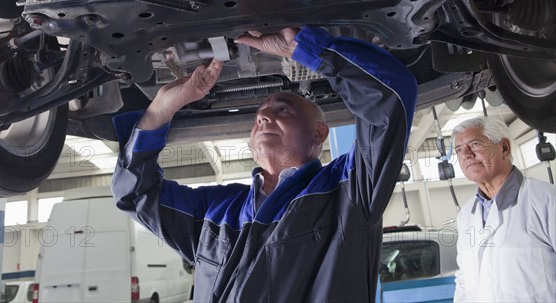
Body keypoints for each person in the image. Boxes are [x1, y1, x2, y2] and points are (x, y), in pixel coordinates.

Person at [111, 26, 417, 302]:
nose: (264, 116)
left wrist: (304, 48)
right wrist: (164, 105)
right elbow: (136, 195)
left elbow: (390, 96)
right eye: (259, 116)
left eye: (282, 109)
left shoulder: (348, 191)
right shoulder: (216, 212)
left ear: (319, 133)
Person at [452, 116, 556, 302]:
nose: (466, 154)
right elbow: (463, 281)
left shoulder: (547, 200)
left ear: (504, 148)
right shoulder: (466, 216)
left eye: (475, 144)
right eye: (459, 150)